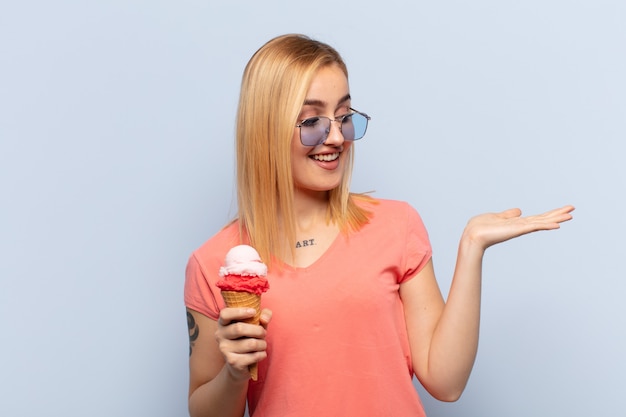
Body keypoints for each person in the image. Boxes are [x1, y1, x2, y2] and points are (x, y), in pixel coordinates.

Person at [184, 33, 574, 417]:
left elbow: (447, 382)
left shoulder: (397, 225)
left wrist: (472, 247)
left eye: (344, 117)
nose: (336, 137)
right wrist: (235, 374)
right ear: (265, 129)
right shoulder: (212, 264)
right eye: (313, 121)